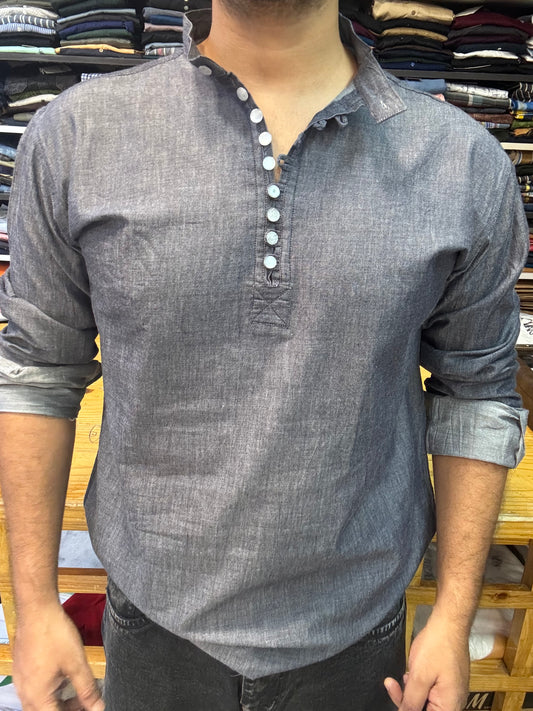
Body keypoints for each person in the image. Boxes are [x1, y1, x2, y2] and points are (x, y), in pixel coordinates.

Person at [0, 0, 528, 709]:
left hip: (359, 630)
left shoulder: (460, 162)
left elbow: (477, 391)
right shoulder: (76, 137)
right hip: (154, 621)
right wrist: (33, 605)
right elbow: (35, 372)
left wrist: (454, 615)